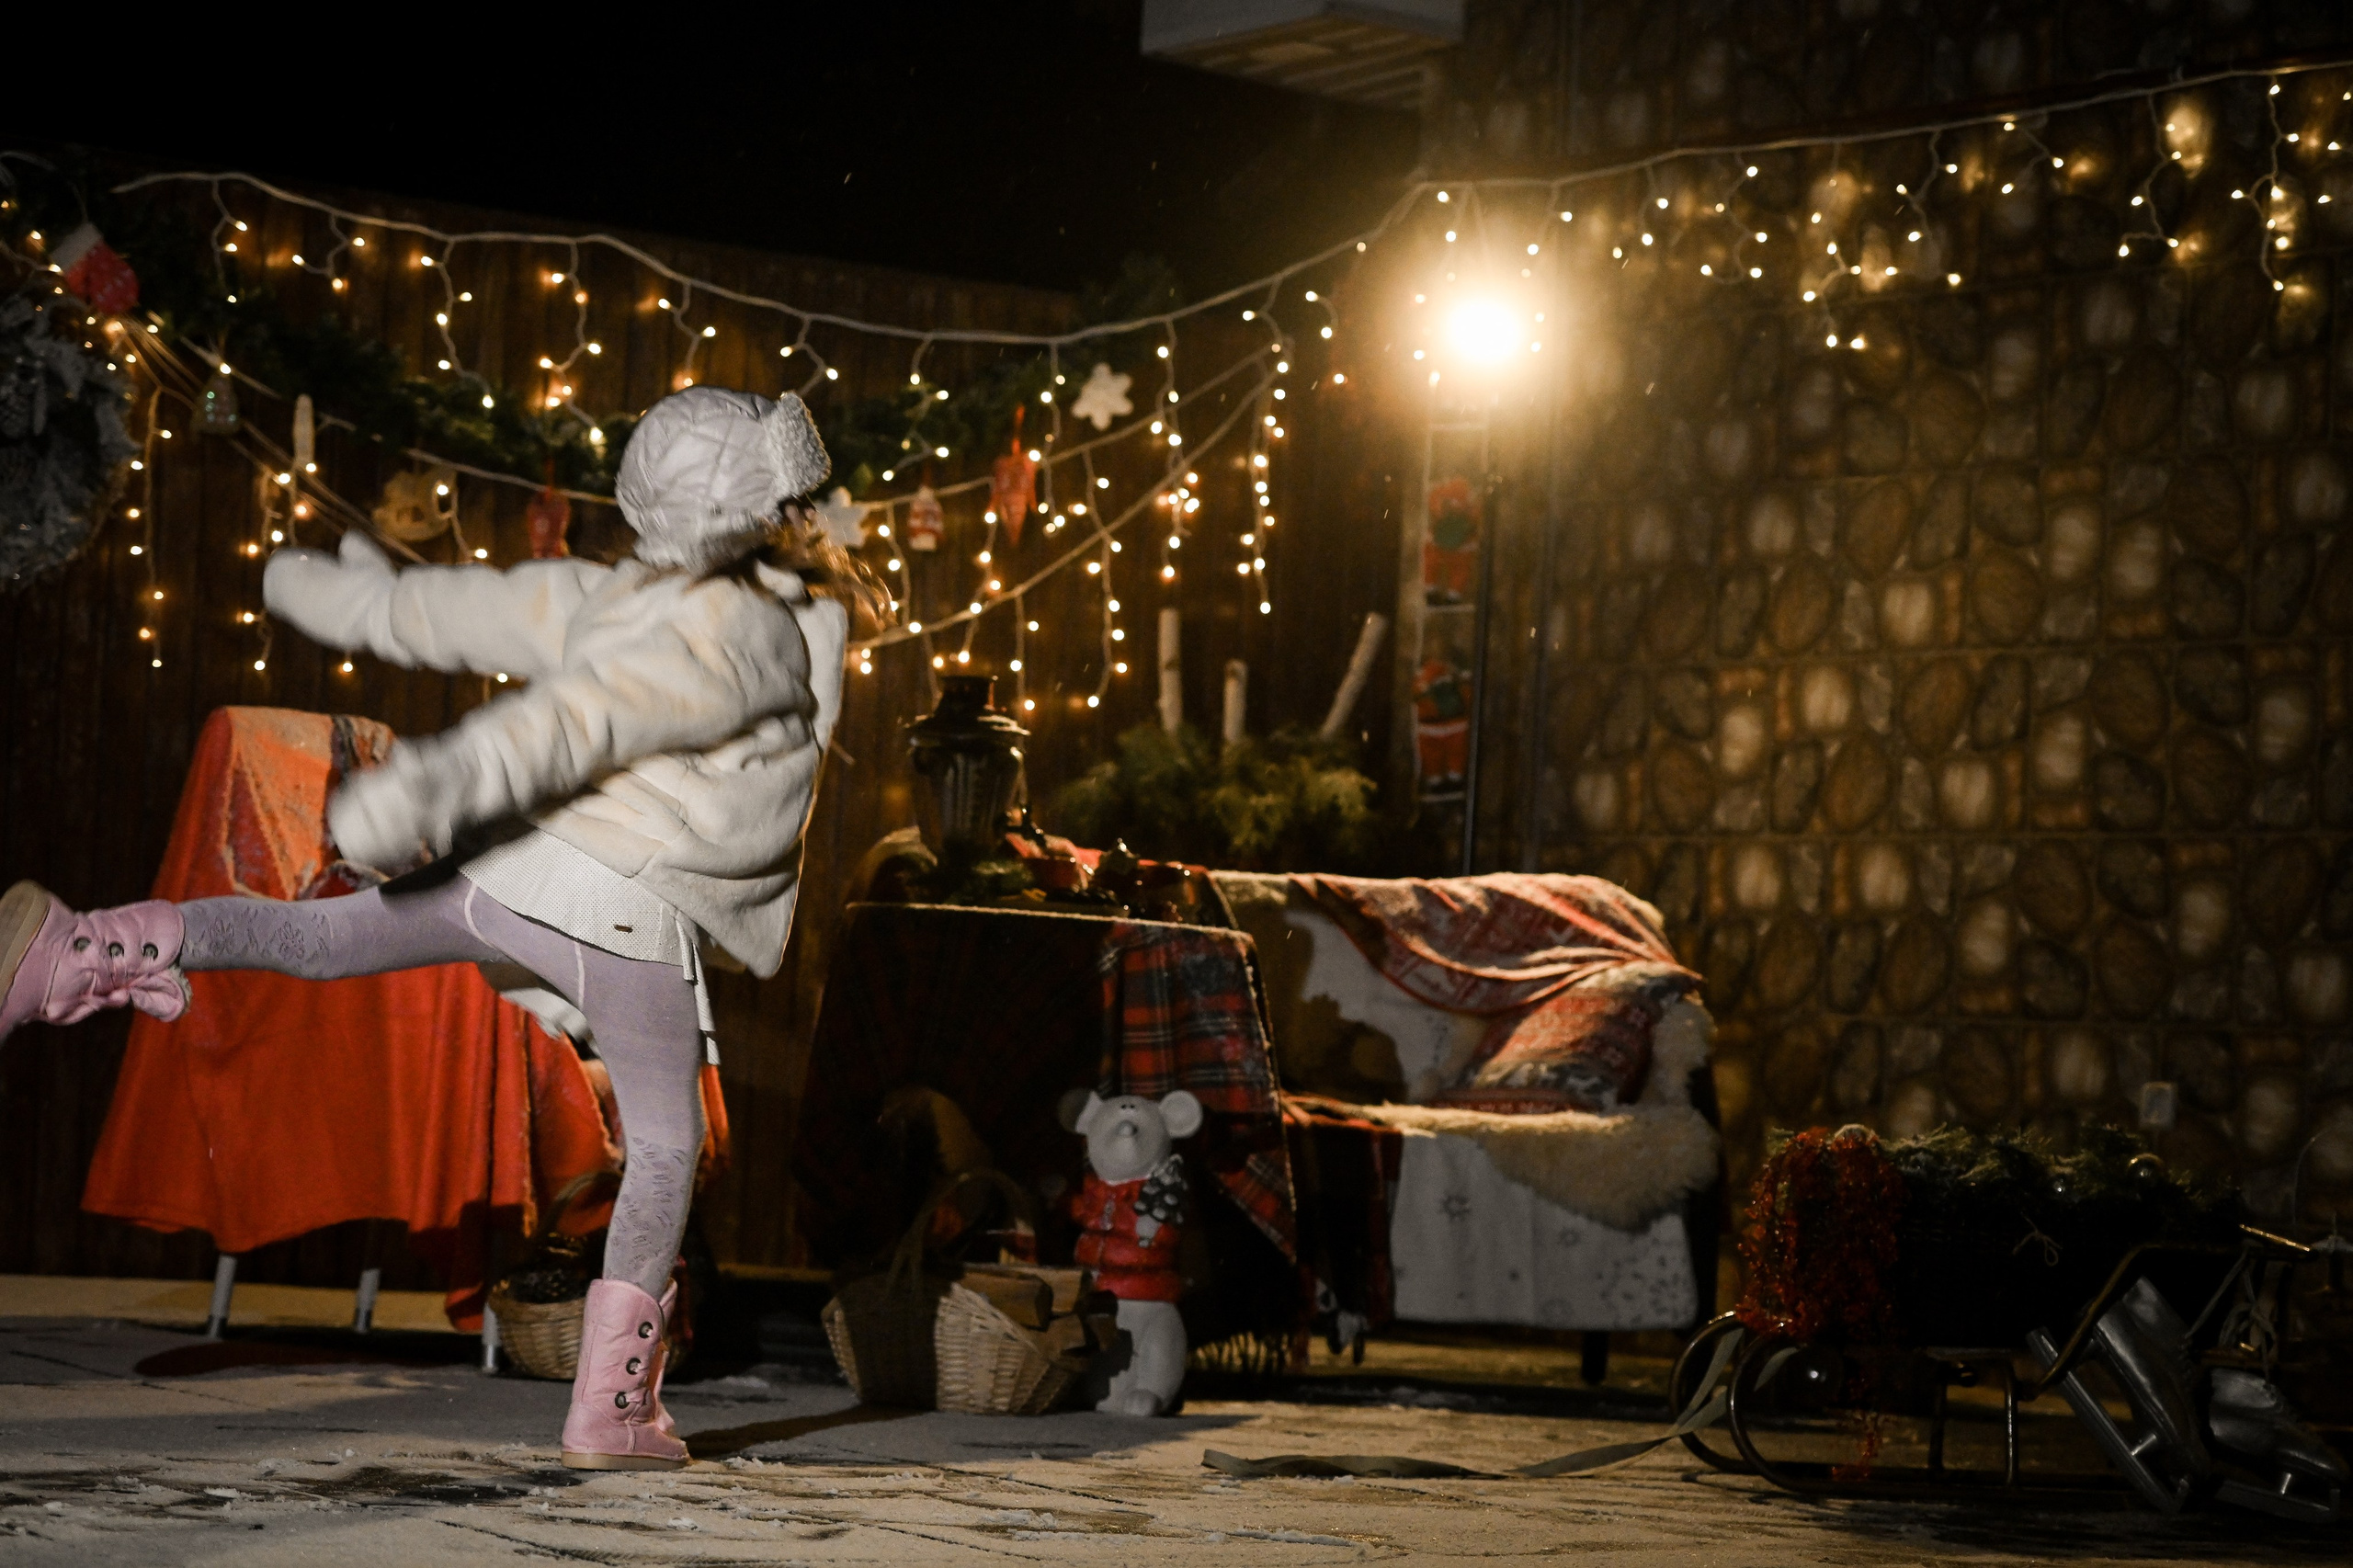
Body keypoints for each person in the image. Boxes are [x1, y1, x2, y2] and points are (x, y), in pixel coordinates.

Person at [0, 386, 872, 1471]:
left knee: (315, 940)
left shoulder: (632, 587)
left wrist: (358, 601)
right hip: (621, 900)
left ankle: (77, 947)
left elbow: (485, 611)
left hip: (525, 866)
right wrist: (433, 781)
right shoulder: (759, 636)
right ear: (761, 512)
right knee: (665, 1147)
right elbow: (576, 718)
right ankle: (613, 1407)